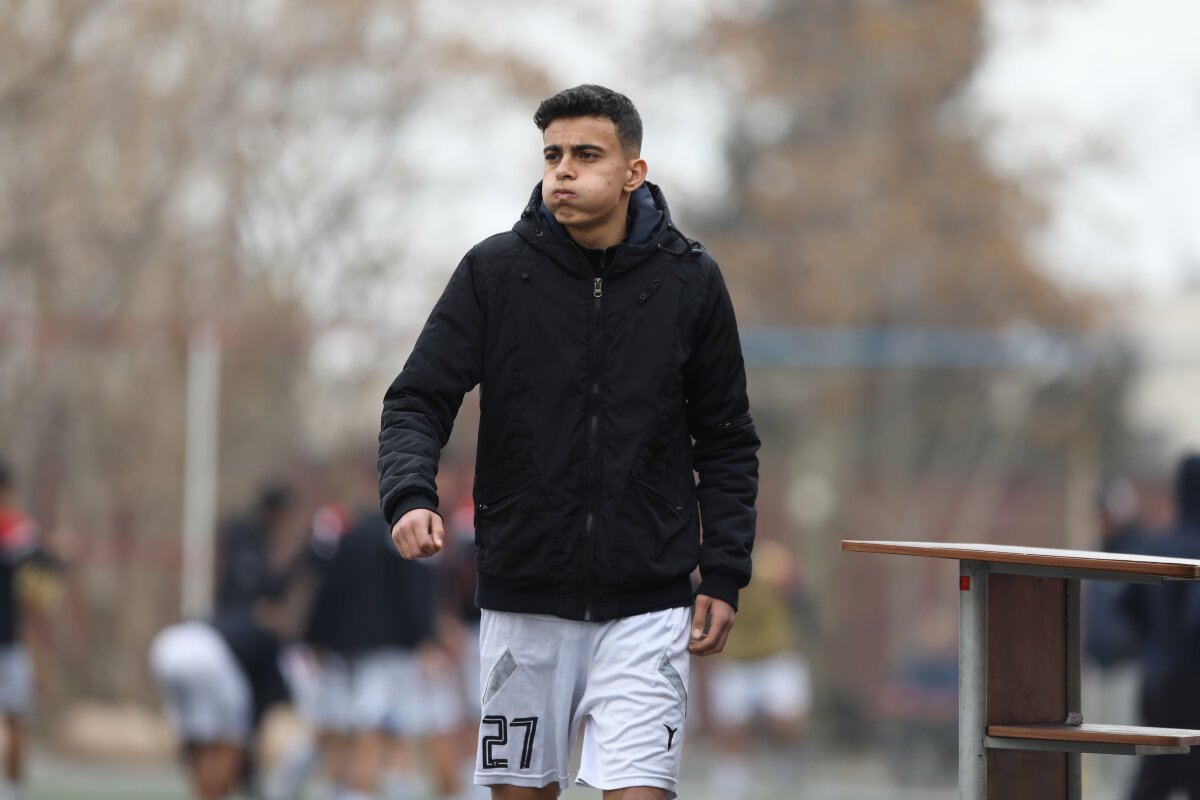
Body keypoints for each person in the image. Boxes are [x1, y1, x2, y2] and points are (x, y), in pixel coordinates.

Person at [378, 84, 760, 800]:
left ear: (633, 172)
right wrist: (408, 495)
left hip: (649, 608)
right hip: (521, 603)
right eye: (553, 155)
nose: (563, 170)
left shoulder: (691, 280)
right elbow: (417, 398)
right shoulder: (494, 272)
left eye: (586, 155)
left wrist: (724, 571)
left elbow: (728, 441)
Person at [705, 538, 814, 799]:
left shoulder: (774, 565)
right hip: (736, 658)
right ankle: (733, 784)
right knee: (731, 727)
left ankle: (786, 770)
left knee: (786, 722)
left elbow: (803, 603)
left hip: (775, 656)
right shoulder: (719, 572)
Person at [1118, 454, 1200, 799]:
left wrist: (1154, 643)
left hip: (1153, 677)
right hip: (1191, 681)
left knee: (1155, 774)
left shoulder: (1158, 544)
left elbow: (1126, 602)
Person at [0, 461, 64, 800]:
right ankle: (13, 793)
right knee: (16, 719)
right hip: (8, 642)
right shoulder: (18, 530)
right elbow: (50, 564)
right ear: (8, 489)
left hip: (10, 641)